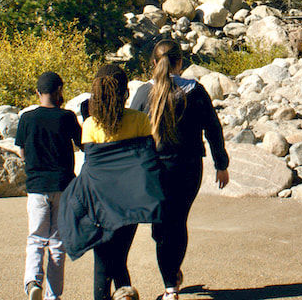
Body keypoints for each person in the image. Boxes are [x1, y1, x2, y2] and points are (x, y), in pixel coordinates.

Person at [131, 40, 231, 300]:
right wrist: (221, 165)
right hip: (188, 169)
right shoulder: (195, 91)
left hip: (154, 169)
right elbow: (213, 129)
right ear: (180, 63)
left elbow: (130, 133)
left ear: (153, 64)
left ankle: (170, 284)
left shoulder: (143, 93)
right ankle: (172, 278)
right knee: (176, 222)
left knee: (161, 227)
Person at [60, 63, 165, 300]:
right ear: (125, 91)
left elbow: (93, 166)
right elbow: (145, 161)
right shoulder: (139, 119)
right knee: (119, 256)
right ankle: (125, 293)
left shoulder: (90, 125)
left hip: (99, 204)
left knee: (104, 261)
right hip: (131, 202)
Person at [16, 71, 82, 300]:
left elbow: (22, 151)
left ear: (38, 92)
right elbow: (82, 144)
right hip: (63, 186)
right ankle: (53, 296)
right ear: (59, 91)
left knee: (35, 238)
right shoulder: (67, 117)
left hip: (36, 186)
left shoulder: (26, 118)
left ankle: (33, 281)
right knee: (57, 241)